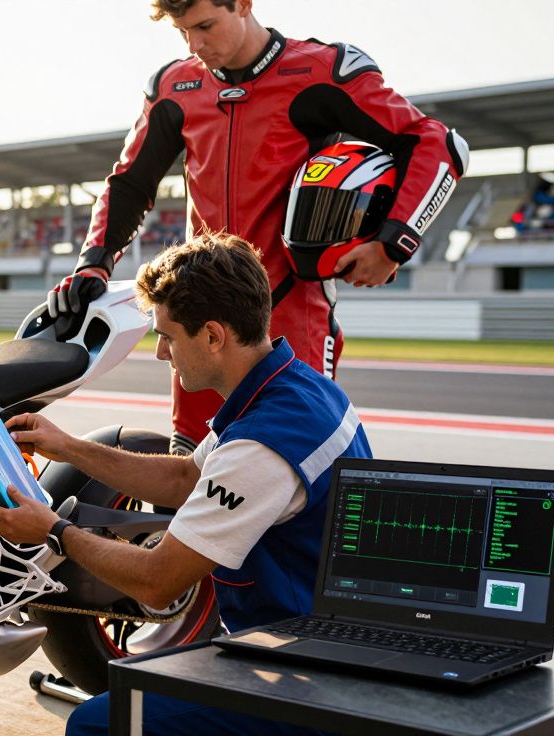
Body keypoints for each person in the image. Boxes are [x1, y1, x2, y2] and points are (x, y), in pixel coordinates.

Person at [0, 233, 372, 736]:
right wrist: (69, 447)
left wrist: (53, 531)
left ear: (212, 336)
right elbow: (187, 475)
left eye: (167, 336)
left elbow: (158, 580)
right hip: (317, 643)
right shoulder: (296, 387)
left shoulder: (261, 444)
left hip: (303, 671)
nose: (161, 353)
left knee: (95, 725)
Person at [46, 0, 468, 454]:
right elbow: (129, 185)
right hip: (195, 317)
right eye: (183, 32)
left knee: (297, 464)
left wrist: (392, 242)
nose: (194, 44)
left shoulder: (323, 70)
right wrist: (92, 264)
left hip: (292, 312)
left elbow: (437, 144)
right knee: (190, 466)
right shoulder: (173, 87)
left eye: (205, 26)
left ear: (244, 4)